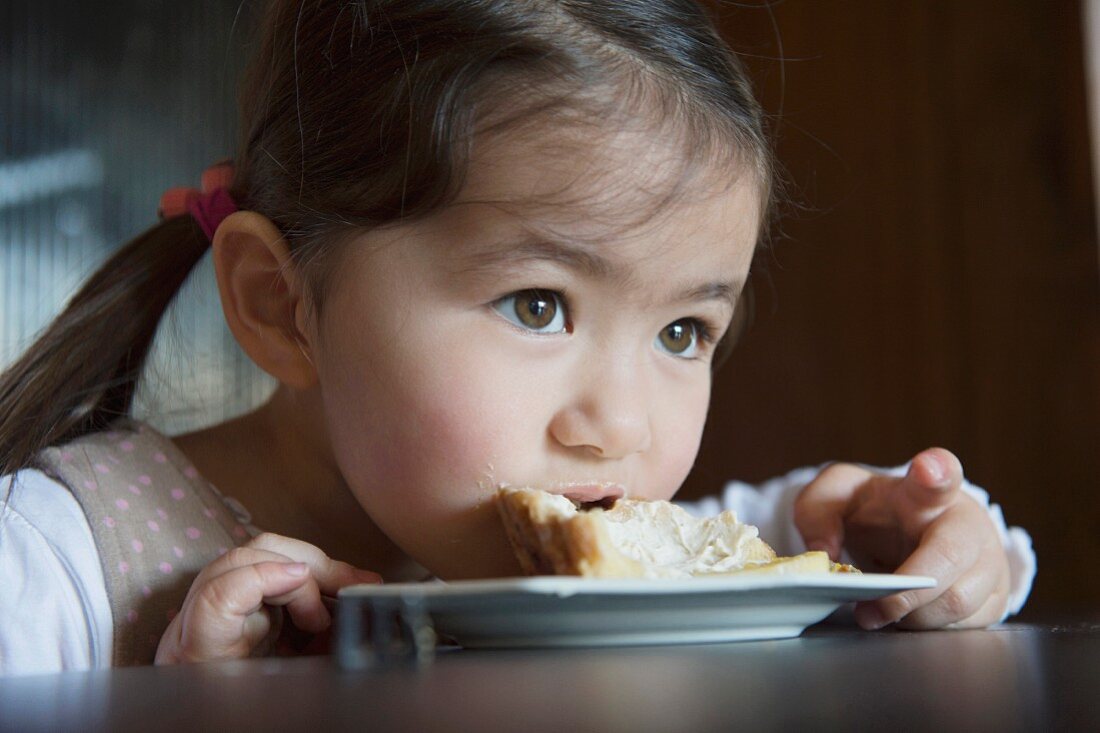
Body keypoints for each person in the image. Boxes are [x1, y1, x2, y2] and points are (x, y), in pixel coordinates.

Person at [0, 0, 1034, 676]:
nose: (616, 426)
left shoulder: (593, 549)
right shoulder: (54, 567)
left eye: (683, 329)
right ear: (282, 305)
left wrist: (901, 536)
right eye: (537, 305)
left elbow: (807, 542)